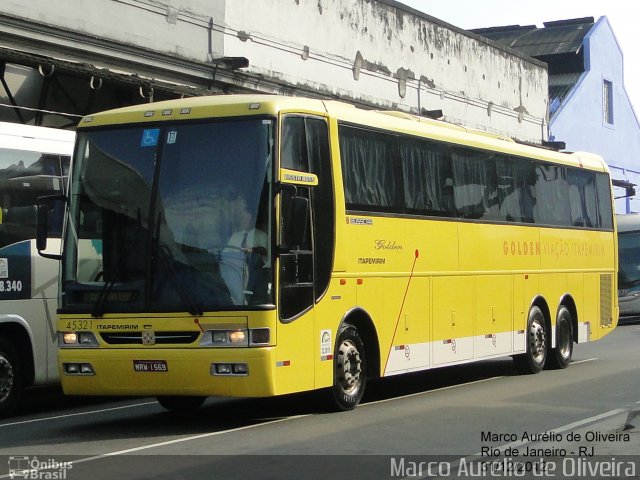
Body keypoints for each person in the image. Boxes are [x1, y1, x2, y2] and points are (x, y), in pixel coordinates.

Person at [220, 196, 268, 305]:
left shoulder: (261, 236)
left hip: (255, 278)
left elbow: (265, 255)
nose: (242, 220)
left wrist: (251, 250)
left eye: (245, 218)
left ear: (252, 219)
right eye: (241, 218)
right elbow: (226, 257)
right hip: (235, 274)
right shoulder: (235, 237)